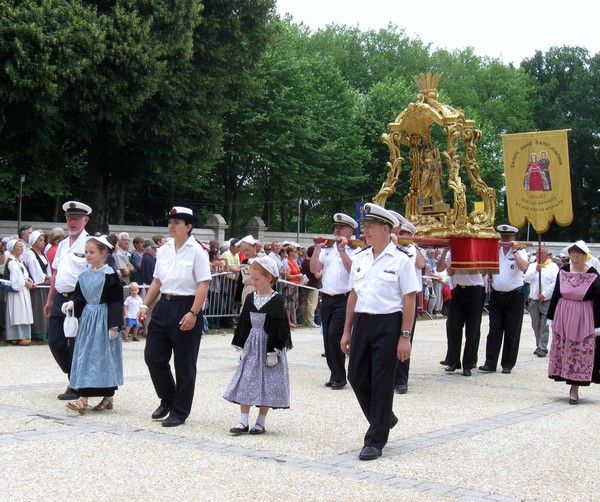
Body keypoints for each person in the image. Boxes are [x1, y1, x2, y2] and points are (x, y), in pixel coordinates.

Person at [341, 203, 420, 461]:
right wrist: (347, 331)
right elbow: (353, 296)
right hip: (363, 322)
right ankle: (385, 418)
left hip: (389, 323)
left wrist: (405, 336)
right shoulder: (361, 259)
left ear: (386, 229)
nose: (365, 231)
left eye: (371, 226)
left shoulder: (401, 260)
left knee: (382, 381)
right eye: (365, 226)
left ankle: (375, 439)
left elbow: (410, 299)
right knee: (355, 376)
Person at [138, 206, 211, 427]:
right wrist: (144, 304)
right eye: (170, 222)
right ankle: (168, 398)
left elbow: (203, 284)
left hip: (186, 306)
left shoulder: (198, 251)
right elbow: (157, 281)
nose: (171, 226)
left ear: (189, 227)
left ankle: (180, 411)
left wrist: (193, 313)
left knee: (184, 364)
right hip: (163, 306)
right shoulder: (165, 249)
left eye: (177, 222)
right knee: (153, 357)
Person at [224, 257, 292, 435]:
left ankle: (260, 422)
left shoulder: (276, 300)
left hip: (267, 344)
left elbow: (279, 327)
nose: (253, 283)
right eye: (252, 279)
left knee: (267, 382)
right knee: (247, 379)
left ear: (269, 278)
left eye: (257, 279)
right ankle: (243, 420)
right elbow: (244, 322)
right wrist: (240, 345)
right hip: (252, 343)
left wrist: (274, 351)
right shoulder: (251, 297)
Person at [61, 235, 124, 414]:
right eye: (86, 252)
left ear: (103, 253)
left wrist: (115, 325)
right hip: (88, 319)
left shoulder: (110, 276)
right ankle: (84, 397)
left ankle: (102, 396)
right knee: (85, 355)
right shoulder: (84, 275)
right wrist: (73, 303)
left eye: (92, 252)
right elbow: (80, 296)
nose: (88, 255)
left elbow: (116, 302)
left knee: (102, 357)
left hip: (103, 319)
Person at [44, 201, 92, 401]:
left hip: (78, 298)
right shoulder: (62, 244)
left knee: (76, 343)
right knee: (55, 341)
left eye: (77, 218)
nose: (72, 222)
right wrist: (49, 299)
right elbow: (56, 274)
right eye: (69, 218)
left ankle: (76, 383)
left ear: (85, 220)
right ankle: (74, 376)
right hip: (60, 298)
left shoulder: (90, 244)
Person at [311, 212, 361, 390]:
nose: (337, 230)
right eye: (336, 227)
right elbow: (314, 268)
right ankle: (335, 374)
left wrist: (342, 251)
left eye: (341, 227)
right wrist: (317, 249)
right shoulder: (328, 249)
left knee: (334, 335)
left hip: (344, 299)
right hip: (327, 298)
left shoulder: (355, 250)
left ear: (350, 231)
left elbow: (351, 270)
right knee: (327, 338)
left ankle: (340, 376)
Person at [547, 241, 600, 405]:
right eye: (572, 256)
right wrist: (551, 316)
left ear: (585, 256)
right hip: (564, 313)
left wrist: (597, 324)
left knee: (579, 349)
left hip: (583, 314)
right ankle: (566, 378)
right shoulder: (563, 271)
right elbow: (556, 293)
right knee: (564, 348)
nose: (574, 259)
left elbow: (599, 300)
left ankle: (575, 388)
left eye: (578, 256)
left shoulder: (592, 273)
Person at [480, 225, 529, 374]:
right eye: (503, 238)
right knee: (494, 330)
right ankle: (490, 363)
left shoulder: (521, 252)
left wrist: (514, 250)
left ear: (513, 238)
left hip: (514, 296)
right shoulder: (496, 251)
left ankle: (508, 363)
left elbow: (524, 267)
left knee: (512, 330)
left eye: (507, 238)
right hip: (497, 295)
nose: (505, 240)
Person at [389, 214, 425, 393]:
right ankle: (389, 377)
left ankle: (401, 380)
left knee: (405, 338)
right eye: (400, 232)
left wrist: (415, 246)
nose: (402, 235)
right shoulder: (392, 249)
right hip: (393, 299)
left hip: (408, 299)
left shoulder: (411, 250)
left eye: (405, 233)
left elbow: (420, 264)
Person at [437, 247, 486, 376]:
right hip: (459, 290)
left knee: (473, 329)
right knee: (452, 326)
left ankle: (468, 363)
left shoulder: (477, 251)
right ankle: (453, 361)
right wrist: (446, 252)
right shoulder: (453, 251)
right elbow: (443, 270)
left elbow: (483, 270)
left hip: (474, 290)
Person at [523, 246, 559, 357]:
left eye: (541, 253)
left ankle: (543, 347)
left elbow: (555, 283)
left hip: (546, 300)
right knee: (535, 324)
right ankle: (538, 345)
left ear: (547, 255)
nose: (538, 255)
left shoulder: (553, 267)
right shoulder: (532, 266)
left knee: (544, 324)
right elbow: (526, 279)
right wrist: (535, 271)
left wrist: (545, 294)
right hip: (534, 299)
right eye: (537, 253)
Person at [3, 239, 35, 345]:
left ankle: (21, 336)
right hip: (17, 292)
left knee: (22, 312)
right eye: (19, 246)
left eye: (22, 246)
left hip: (23, 291)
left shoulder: (19, 261)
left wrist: (29, 281)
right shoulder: (12, 262)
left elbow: (24, 275)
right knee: (17, 312)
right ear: (13, 249)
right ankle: (17, 336)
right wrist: (26, 283)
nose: (22, 248)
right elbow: (16, 280)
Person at [23, 230, 51, 340]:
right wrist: (45, 277)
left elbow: (47, 267)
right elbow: (35, 270)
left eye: (43, 240)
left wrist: (49, 276)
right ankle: (38, 332)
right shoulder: (31, 253)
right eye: (40, 240)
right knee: (38, 308)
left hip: (45, 284)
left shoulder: (42, 253)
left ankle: (46, 331)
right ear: (34, 242)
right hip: (38, 285)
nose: (43, 242)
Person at [300, 245, 322, 328]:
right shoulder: (313, 262)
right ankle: (310, 321)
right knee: (312, 304)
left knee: (305, 303)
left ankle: (304, 320)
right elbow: (317, 275)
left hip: (306, 284)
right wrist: (322, 271)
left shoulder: (304, 261)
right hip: (313, 285)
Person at [419, 135, 444, 205]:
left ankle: (436, 201)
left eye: (427, 140)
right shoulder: (422, 151)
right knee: (423, 185)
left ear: (429, 140)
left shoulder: (434, 149)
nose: (425, 142)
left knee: (435, 186)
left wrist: (434, 163)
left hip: (433, 169)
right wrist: (424, 163)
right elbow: (420, 160)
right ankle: (425, 202)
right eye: (424, 141)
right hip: (426, 169)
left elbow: (438, 160)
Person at [235, 235, 258, 306]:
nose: (245, 253)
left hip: (259, 290)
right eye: (243, 250)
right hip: (246, 290)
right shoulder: (244, 262)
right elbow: (241, 280)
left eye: (247, 250)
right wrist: (237, 298)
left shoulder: (262, 261)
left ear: (254, 247)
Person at [284, 245, 303, 328]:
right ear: (290, 252)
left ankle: (292, 319)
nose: (297, 252)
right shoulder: (287, 261)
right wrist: (297, 276)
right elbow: (288, 276)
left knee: (293, 304)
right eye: (295, 251)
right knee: (289, 304)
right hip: (290, 285)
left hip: (296, 284)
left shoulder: (295, 261)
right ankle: (288, 321)